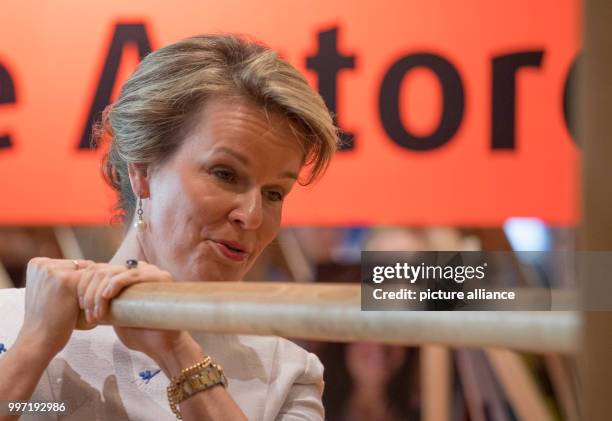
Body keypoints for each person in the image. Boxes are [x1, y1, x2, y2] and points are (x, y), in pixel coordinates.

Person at [0, 34, 338, 420]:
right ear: (143, 172)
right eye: (225, 174)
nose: (254, 216)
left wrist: (177, 352)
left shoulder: (286, 372)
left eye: (276, 193)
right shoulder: (7, 320)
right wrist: (34, 345)